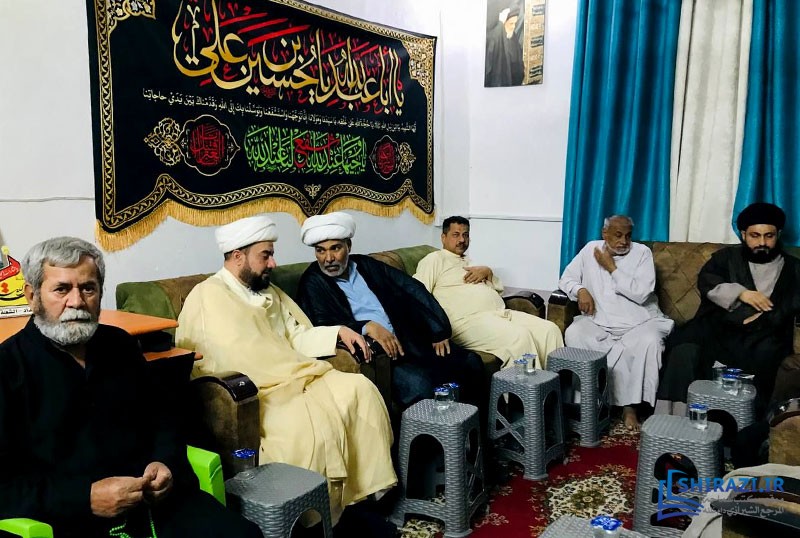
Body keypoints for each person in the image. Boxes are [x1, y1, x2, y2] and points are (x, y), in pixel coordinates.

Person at [0, 237, 262, 538]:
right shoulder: (8, 368)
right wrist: (85, 498)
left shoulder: (120, 345)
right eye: (61, 289)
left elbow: (164, 420)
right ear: (32, 296)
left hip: (156, 506)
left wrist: (164, 463)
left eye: (88, 288)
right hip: (69, 519)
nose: (77, 302)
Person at [175, 216, 397, 530]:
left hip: (296, 375)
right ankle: (308, 520)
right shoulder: (207, 296)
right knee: (300, 428)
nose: (273, 263)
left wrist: (338, 331)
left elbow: (295, 337)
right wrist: (287, 370)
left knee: (360, 389)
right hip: (261, 391)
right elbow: (219, 359)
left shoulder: (270, 293)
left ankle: (355, 499)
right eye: (265, 255)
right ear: (238, 256)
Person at [295, 212, 486, 412]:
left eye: (335, 248)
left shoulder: (365, 265)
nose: (328, 258)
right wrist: (365, 326)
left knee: (471, 362)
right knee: (421, 385)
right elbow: (320, 323)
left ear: (348, 246)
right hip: (382, 357)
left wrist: (437, 328)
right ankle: (438, 432)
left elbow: (411, 288)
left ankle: (469, 427)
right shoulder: (312, 281)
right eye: (321, 251)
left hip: (410, 340)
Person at [658, 202, 800, 417]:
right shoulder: (726, 258)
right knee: (683, 347)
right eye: (755, 235)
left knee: (767, 353)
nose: (762, 242)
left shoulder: (794, 268)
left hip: (766, 333)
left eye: (769, 236)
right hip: (721, 327)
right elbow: (707, 281)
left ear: (778, 235)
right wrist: (742, 293)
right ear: (743, 235)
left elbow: (793, 302)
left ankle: (750, 423)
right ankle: (674, 418)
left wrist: (764, 316)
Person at [558, 215, 674, 431]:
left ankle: (630, 408)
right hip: (599, 320)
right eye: (618, 235)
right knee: (575, 333)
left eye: (628, 236)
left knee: (649, 341)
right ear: (605, 234)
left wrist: (612, 268)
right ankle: (591, 402)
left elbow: (641, 293)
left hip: (640, 322)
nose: (624, 241)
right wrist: (580, 290)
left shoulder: (642, 253)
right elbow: (566, 278)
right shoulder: (590, 249)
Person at [413, 215, 563, 370]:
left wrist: (488, 272)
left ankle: (554, 384)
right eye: (456, 235)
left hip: (499, 313)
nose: (462, 240)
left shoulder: (472, 262)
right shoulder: (434, 259)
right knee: (519, 337)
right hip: (465, 321)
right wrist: (435, 329)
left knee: (550, 330)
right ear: (443, 237)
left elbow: (498, 290)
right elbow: (416, 293)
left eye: (465, 235)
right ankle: (527, 386)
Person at [484, 5, 525, 87]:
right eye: (511, 24)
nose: (513, 27)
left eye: (515, 23)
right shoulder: (494, 40)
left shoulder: (513, 38)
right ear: (503, 24)